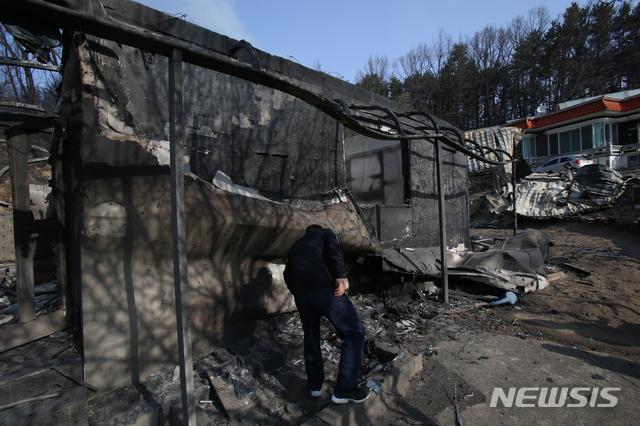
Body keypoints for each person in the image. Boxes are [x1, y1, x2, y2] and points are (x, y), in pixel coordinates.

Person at [283, 224, 370, 404]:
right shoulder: (325, 233)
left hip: (302, 297)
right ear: (318, 230)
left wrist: (298, 292)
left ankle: (315, 387)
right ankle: (345, 389)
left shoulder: (294, 247)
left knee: (311, 338)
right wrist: (340, 276)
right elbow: (335, 250)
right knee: (354, 332)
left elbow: (287, 274)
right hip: (325, 291)